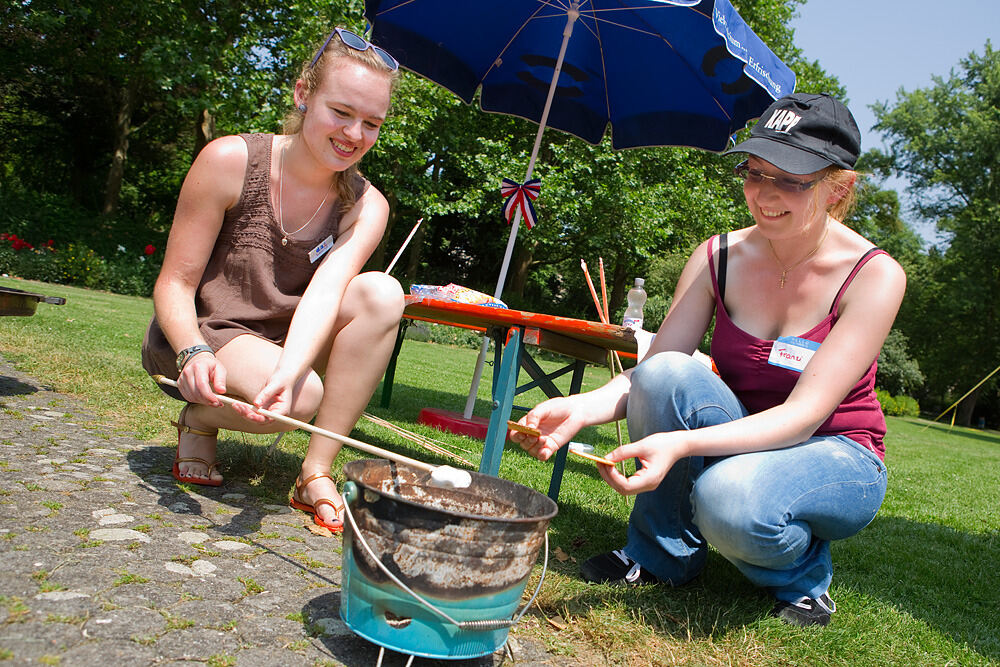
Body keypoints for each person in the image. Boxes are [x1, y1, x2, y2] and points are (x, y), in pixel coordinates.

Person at [510, 93, 906, 627]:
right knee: (666, 370)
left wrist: (683, 444)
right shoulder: (717, 256)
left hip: (835, 450)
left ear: (840, 188)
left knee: (729, 500)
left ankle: (801, 576)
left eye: (792, 179)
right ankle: (660, 557)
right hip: (744, 434)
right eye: (755, 172)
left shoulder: (876, 275)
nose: (765, 194)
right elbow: (659, 368)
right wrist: (585, 406)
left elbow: (803, 415)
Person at [141, 27, 404, 534]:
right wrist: (191, 352)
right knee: (302, 397)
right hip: (207, 332)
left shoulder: (368, 205)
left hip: (288, 334)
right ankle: (200, 416)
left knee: (382, 293)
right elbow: (173, 283)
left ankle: (315, 470)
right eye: (342, 112)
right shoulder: (229, 160)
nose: (354, 134)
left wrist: (291, 367)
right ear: (303, 94)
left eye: (371, 123)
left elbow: (328, 293)